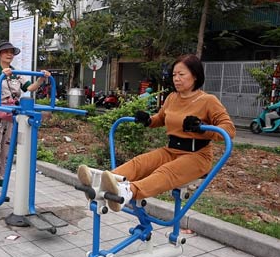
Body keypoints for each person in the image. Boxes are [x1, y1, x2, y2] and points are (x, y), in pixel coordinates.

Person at [78, 54, 235, 212]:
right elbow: (160, 118)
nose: (176, 78)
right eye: (174, 75)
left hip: (197, 155)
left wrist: (202, 128)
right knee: (139, 163)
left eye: (181, 74)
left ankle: (128, 191)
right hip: (172, 150)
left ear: (195, 75)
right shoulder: (172, 98)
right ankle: (101, 183)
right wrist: (148, 120)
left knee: (165, 172)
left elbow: (229, 130)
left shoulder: (208, 100)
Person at [0, 42, 45, 199]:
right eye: (6, 52)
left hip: (11, 114)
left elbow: (29, 88)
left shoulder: (17, 73)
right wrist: (3, 76)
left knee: (6, 153)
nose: (9, 55)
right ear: (0, 55)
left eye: (11, 53)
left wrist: (41, 79)